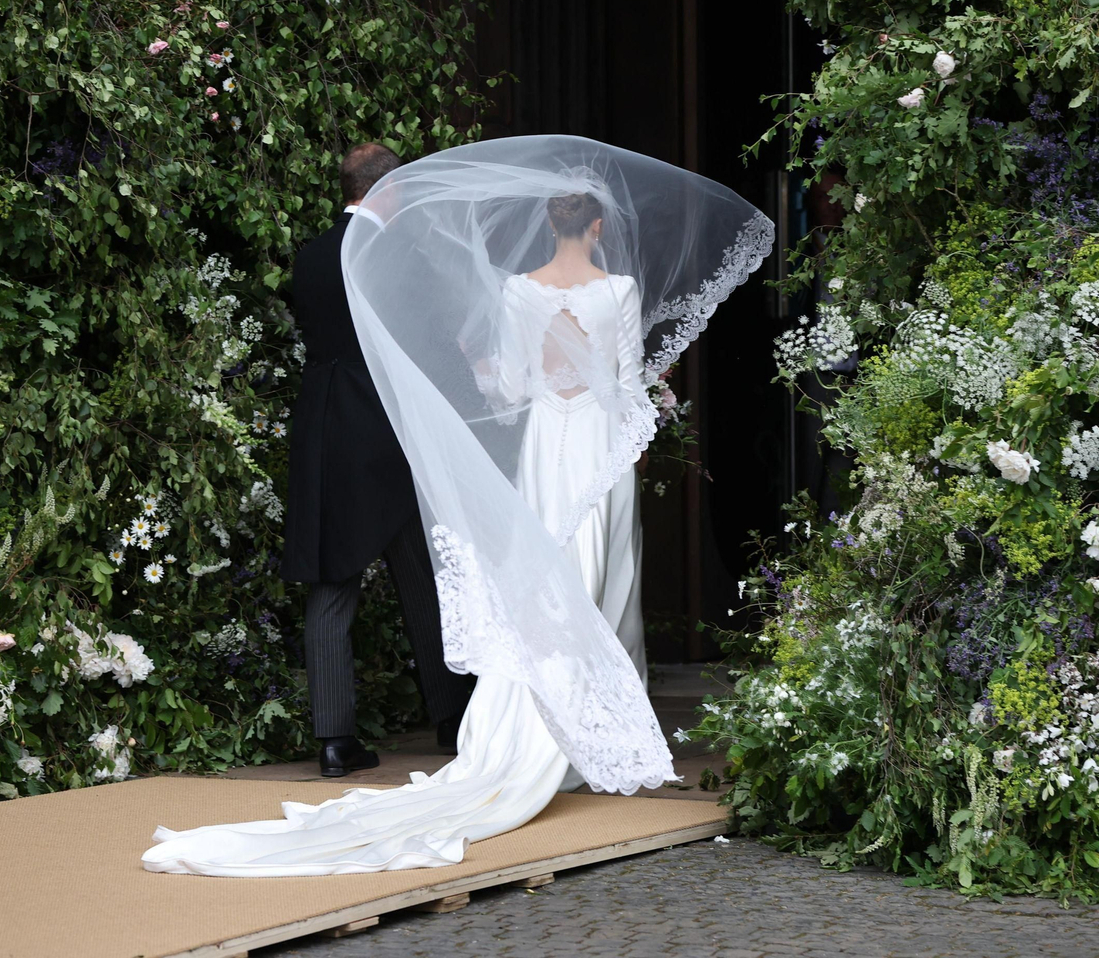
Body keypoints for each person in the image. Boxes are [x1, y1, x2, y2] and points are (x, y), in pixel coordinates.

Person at [143, 136, 772, 875]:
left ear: (548, 223)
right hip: (551, 443)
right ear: (597, 225)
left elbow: (503, 381)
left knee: (437, 582)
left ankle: (390, 731)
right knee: (591, 579)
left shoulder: (320, 258)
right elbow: (620, 380)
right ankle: (574, 723)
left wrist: (510, 380)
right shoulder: (611, 290)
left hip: (434, 442)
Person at [279, 141, 474, 779]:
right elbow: (434, 347)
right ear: (388, 191)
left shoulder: (307, 258)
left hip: (325, 435)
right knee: (423, 576)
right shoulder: (400, 256)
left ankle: (334, 742)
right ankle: (453, 721)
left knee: (332, 584)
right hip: (391, 434)